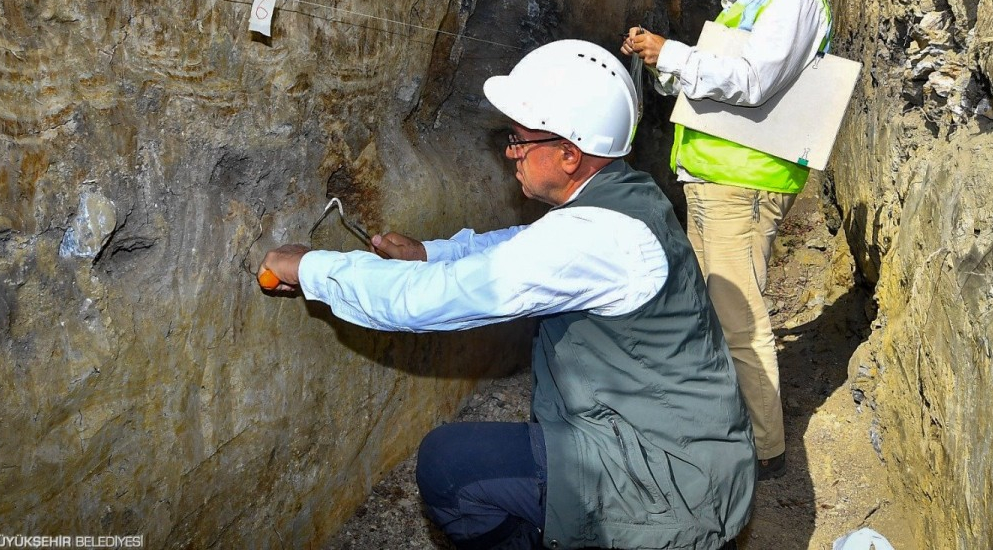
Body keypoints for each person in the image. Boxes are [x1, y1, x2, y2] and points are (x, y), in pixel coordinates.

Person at [259, 39, 754, 550]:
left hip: (673, 482)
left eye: (519, 140)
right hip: (683, 453)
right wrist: (429, 253)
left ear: (568, 154)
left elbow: (428, 301)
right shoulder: (624, 196)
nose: (510, 152)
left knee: (450, 468)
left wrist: (312, 267)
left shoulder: (596, 238)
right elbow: (520, 246)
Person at [620, 0, 832, 481]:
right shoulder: (746, 6)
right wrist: (664, 64)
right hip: (716, 181)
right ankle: (730, 424)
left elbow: (754, 82)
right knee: (718, 313)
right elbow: (717, 83)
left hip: (743, 185)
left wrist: (676, 55)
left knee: (740, 322)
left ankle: (765, 451)